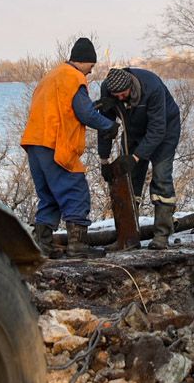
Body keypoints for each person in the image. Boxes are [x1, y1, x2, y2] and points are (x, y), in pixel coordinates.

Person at [20, 37, 116, 258]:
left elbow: (67, 109)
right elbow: (84, 113)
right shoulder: (74, 77)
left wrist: (97, 106)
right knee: (76, 190)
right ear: (83, 61)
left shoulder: (51, 76)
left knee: (50, 197)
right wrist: (108, 125)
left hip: (35, 144)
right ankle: (78, 247)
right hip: (55, 144)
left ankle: (43, 245)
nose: (90, 72)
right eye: (91, 66)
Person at [97, 67, 181, 250]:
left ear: (130, 87)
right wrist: (104, 160)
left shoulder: (152, 87)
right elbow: (105, 127)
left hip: (165, 131)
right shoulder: (107, 89)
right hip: (134, 132)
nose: (119, 98)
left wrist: (135, 158)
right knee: (129, 181)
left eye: (123, 94)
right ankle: (128, 238)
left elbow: (157, 130)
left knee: (161, 178)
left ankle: (162, 235)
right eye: (115, 95)